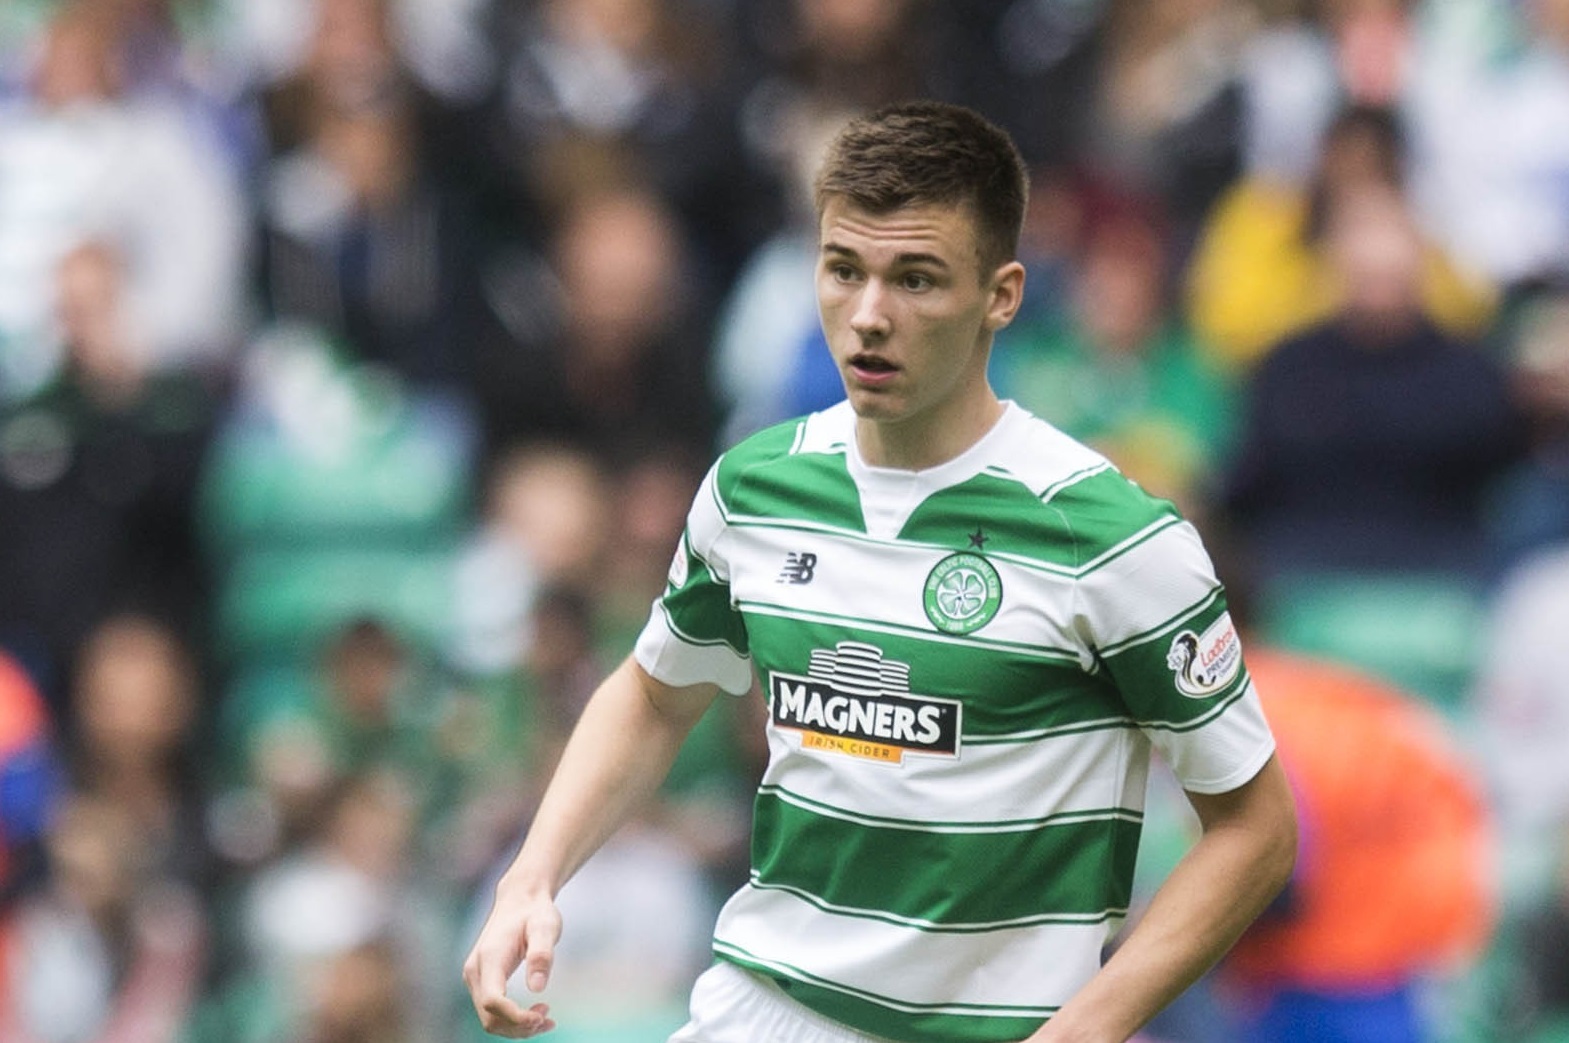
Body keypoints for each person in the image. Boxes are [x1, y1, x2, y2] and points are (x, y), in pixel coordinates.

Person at [463, 100, 1297, 1043]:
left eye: (916, 279)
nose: (867, 317)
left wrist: (1088, 1025)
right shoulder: (754, 486)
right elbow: (656, 696)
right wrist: (531, 876)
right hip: (759, 1009)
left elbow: (1255, 829)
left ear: (1002, 294)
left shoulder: (1109, 535)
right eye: (842, 270)